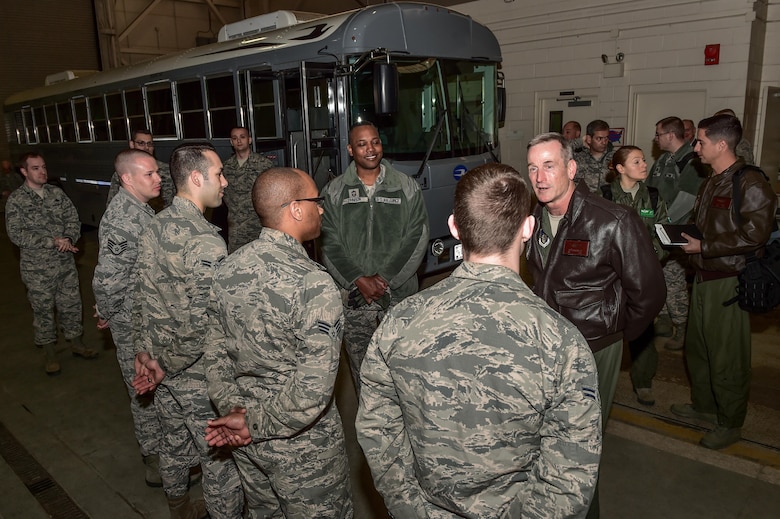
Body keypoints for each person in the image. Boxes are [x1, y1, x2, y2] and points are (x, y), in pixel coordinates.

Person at [356, 163, 601, 518]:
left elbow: (379, 431)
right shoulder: (562, 343)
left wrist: (410, 508)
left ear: (454, 227)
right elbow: (569, 475)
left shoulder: (399, 322)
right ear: (528, 229)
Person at [525, 133, 666, 518]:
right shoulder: (534, 218)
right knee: (547, 442)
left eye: (549, 165)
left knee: (580, 450)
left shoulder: (613, 220)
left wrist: (613, 334)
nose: (539, 176)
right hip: (548, 347)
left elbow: (650, 293)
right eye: (533, 168)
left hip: (593, 348)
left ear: (571, 169)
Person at [205, 167, 353, 517]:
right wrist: (252, 422)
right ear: (296, 209)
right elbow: (312, 391)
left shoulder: (229, 267)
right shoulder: (313, 284)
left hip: (245, 440)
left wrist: (235, 412)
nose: (321, 209)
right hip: (302, 448)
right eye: (316, 201)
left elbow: (213, 351)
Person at [131, 143, 243, 518]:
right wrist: (165, 363)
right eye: (219, 174)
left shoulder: (155, 224)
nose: (225, 182)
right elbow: (203, 324)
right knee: (218, 458)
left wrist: (146, 355)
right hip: (194, 373)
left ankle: (178, 507)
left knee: (173, 442)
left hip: (160, 363)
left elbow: (141, 296)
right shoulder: (206, 241)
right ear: (197, 178)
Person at [671, 114, 776, 450]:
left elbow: (755, 235)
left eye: (700, 141)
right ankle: (704, 407)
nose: (696, 146)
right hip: (703, 276)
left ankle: (730, 423)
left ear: (720, 144)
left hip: (728, 280)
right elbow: (703, 222)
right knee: (698, 350)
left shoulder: (750, 183)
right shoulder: (712, 180)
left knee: (727, 357)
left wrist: (706, 246)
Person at [320, 121, 429, 391]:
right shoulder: (333, 192)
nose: (371, 149)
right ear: (350, 150)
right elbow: (328, 242)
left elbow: (417, 236)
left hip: (398, 297)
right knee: (363, 373)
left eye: (375, 142)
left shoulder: (406, 186)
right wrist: (358, 279)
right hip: (355, 301)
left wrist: (383, 279)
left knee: (403, 370)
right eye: (362, 144)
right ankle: (368, 431)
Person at [93, 149, 164, 487]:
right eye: (149, 174)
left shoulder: (140, 210)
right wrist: (106, 312)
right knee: (142, 389)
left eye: (156, 172)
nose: (158, 178)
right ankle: (152, 457)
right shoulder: (123, 218)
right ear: (127, 179)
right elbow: (108, 278)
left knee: (152, 384)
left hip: (144, 315)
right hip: (130, 321)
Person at [5, 152, 97, 375]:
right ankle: (49, 353)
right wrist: (51, 242)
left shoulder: (56, 194)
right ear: (24, 172)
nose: (42, 171)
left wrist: (68, 238)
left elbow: (73, 219)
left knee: (72, 304)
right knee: (43, 309)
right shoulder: (17, 200)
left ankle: (76, 343)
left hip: (65, 264)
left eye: (44, 166)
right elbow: (16, 234)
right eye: (35, 168)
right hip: (37, 268)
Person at [602, 145, 669, 407]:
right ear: (620, 168)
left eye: (643, 160)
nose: (644, 164)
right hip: (611, 278)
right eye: (636, 161)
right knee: (605, 330)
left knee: (643, 331)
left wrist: (647, 258)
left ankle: (643, 382)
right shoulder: (605, 195)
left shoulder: (652, 196)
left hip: (643, 276)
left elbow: (663, 234)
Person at [646, 116, 707, 350]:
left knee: (674, 279)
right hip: (658, 228)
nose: (656, 138)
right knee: (657, 276)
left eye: (659, 134)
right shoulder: (663, 160)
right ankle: (662, 319)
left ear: (670, 135)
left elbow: (686, 202)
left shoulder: (692, 162)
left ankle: (682, 327)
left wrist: (664, 225)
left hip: (675, 233)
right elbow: (649, 190)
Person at [222, 126, 273, 253]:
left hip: (258, 225)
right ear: (231, 142)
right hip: (236, 226)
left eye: (242, 137)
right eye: (235, 138)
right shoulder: (226, 167)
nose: (239, 141)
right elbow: (224, 194)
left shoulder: (263, 164)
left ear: (249, 140)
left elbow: (271, 193)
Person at [106, 129, 175, 210]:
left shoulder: (168, 169)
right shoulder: (124, 173)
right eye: (141, 143)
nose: (146, 147)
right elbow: (112, 203)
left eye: (149, 144)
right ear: (132, 144)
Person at [573, 119, 615, 193]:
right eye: (599, 138)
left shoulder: (615, 157)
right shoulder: (578, 158)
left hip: (607, 202)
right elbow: (558, 151)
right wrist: (580, 141)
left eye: (606, 138)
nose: (604, 142)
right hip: (583, 202)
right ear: (589, 139)